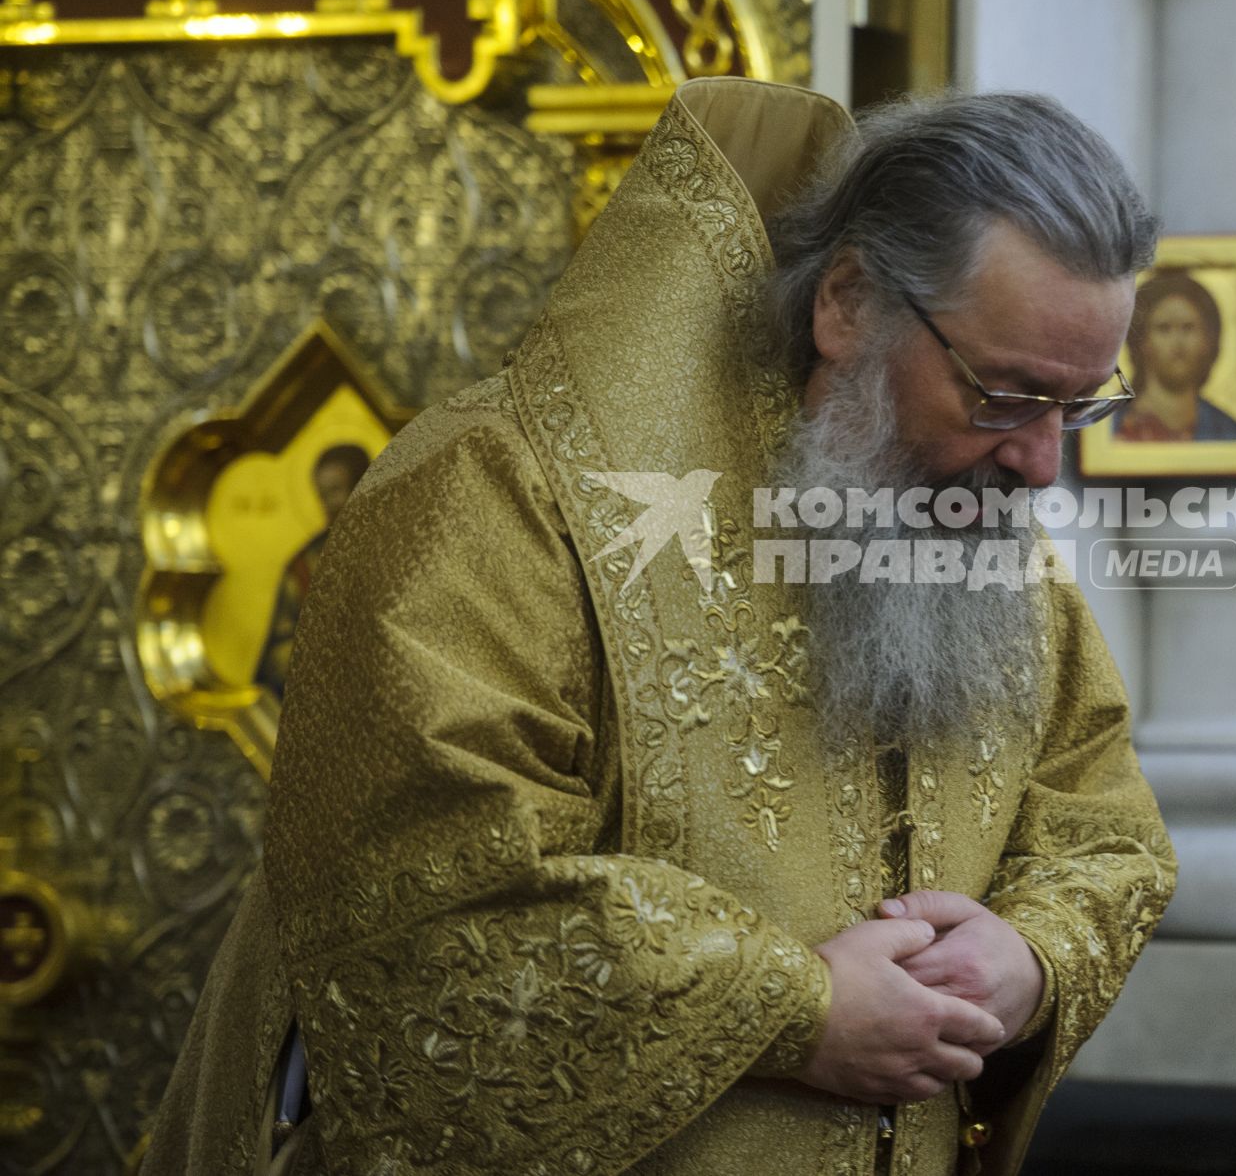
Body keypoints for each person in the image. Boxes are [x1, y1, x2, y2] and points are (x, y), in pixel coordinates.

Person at [145, 77, 1176, 1176]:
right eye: (1004, 393)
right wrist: (797, 1009)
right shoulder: (507, 490)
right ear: (847, 302)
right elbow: (424, 896)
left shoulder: (970, 522)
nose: (1039, 461)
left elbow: (1101, 820)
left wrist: (1032, 956)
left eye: (1080, 407)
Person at [254, 443, 370, 700]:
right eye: (323, 495)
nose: (330, 504)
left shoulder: (401, 546)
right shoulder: (304, 566)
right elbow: (279, 650)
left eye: (336, 491)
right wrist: (320, 665)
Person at [1112, 271, 1236, 442]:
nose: (1177, 343)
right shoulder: (1116, 426)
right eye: (1164, 328)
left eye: (1188, 328)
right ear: (1143, 342)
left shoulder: (1228, 431)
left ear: (1207, 341)